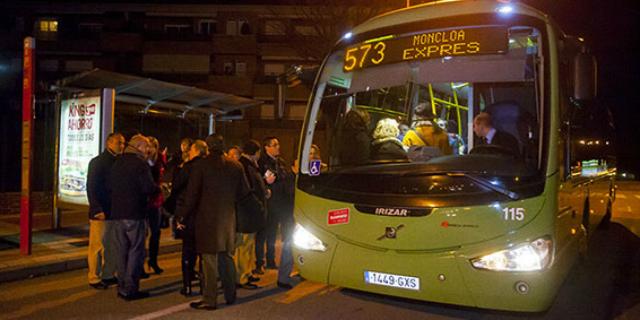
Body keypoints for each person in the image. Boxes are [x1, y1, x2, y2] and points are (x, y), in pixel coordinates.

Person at [177, 134, 250, 310]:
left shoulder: (201, 165)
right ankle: (230, 294)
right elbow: (244, 192)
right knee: (226, 257)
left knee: (209, 260)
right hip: (228, 219)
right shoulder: (236, 166)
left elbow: (192, 195)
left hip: (207, 219)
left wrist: (182, 216)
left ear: (208, 148)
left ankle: (210, 299)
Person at [110, 134, 160, 301]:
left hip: (117, 214)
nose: (148, 150)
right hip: (135, 214)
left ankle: (121, 286)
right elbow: (148, 188)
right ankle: (131, 289)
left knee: (121, 251)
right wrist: (158, 189)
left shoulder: (118, 161)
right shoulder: (140, 164)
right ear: (138, 146)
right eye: (146, 147)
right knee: (135, 252)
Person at [169, 139, 208, 296]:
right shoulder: (209, 167)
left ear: (196, 151)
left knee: (188, 248)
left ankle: (187, 285)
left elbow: (176, 187)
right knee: (203, 251)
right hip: (205, 214)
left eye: (191, 150)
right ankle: (205, 285)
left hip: (188, 213)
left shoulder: (188, 167)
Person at [86, 132, 124, 290]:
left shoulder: (120, 162)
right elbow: (91, 187)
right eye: (118, 143)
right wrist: (96, 208)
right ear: (109, 143)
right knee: (97, 245)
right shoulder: (98, 162)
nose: (121, 146)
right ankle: (94, 277)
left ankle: (108, 274)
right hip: (101, 211)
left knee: (112, 245)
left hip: (114, 211)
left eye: (123, 143)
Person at [257, 136, 296, 289]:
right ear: (266, 147)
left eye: (278, 144)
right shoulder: (263, 162)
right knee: (269, 233)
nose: (278, 147)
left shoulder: (281, 161)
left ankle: (274, 261)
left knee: (283, 234)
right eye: (274, 145)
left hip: (283, 204)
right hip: (271, 204)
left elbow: (284, 177)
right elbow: (270, 178)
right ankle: (266, 260)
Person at [235, 139, 268, 290]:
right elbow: (248, 191)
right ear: (255, 153)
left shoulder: (248, 166)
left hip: (249, 212)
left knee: (248, 246)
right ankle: (241, 277)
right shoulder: (245, 167)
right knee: (243, 246)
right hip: (246, 212)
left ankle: (246, 273)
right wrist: (259, 203)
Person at [145, 136, 166, 275]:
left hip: (156, 201)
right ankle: (139, 264)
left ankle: (153, 260)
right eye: (148, 146)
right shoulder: (141, 160)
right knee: (142, 234)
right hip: (144, 201)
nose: (150, 148)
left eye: (152, 146)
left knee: (156, 233)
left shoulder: (159, 160)